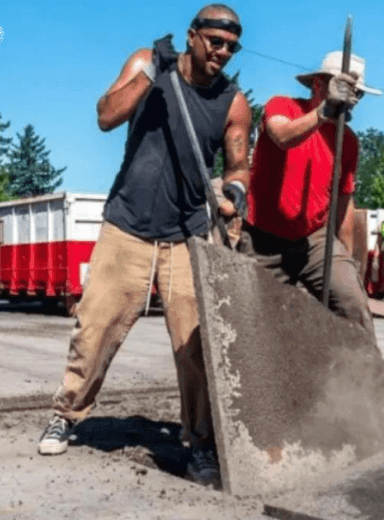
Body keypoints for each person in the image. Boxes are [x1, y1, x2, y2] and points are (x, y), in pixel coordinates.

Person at [36, 4, 252, 490]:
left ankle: (200, 444)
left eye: (231, 47)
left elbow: (239, 165)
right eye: (215, 42)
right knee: (94, 329)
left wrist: (235, 193)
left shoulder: (233, 102)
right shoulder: (147, 65)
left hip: (189, 234)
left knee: (196, 346)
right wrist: (152, 71)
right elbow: (105, 116)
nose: (222, 53)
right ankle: (66, 415)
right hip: (127, 224)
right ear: (193, 36)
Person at [243, 50, 381, 336]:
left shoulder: (348, 142)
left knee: (352, 305)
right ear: (319, 85)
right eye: (342, 88)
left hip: (313, 239)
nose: (350, 98)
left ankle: (360, 377)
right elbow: (282, 137)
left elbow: (343, 205)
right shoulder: (282, 105)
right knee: (258, 327)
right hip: (262, 239)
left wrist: (349, 261)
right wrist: (324, 112)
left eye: (356, 94)